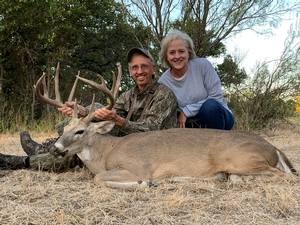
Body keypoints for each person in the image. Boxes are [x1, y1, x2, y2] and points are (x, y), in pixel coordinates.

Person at [0, 48, 178, 171]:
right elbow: (110, 112)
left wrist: (118, 121)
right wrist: (83, 111)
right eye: (134, 67)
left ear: (153, 69)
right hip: (129, 143)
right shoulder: (129, 95)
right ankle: (45, 148)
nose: (140, 71)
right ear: (130, 71)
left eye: (144, 66)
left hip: (153, 149)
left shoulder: (164, 94)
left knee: (83, 148)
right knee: (84, 132)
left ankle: (23, 162)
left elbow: (153, 130)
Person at [158, 29, 234, 130]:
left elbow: (216, 97)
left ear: (188, 52)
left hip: (217, 116)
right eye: (172, 52)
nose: (177, 56)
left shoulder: (203, 65)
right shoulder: (163, 81)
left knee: (209, 107)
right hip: (189, 123)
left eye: (181, 51)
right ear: (166, 56)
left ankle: (218, 142)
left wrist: (186, 111)